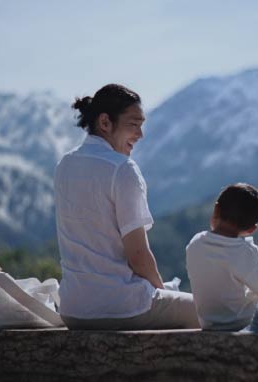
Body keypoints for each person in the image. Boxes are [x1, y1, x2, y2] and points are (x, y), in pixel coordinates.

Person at [54, 83, 199, 330]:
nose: (140, 135)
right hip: (121, 307)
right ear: (105, 123)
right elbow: (138, 256)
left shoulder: (64, 165)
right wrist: (161, 291)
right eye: (133, 124)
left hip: (72, 309)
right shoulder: (122, 169)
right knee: (215, 313)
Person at [186, 183, 258, 331]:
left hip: (207, 324)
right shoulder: (244, 251)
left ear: (216, 209)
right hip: (242, 323)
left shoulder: (195, 243)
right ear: (251, 229)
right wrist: (255, 253)